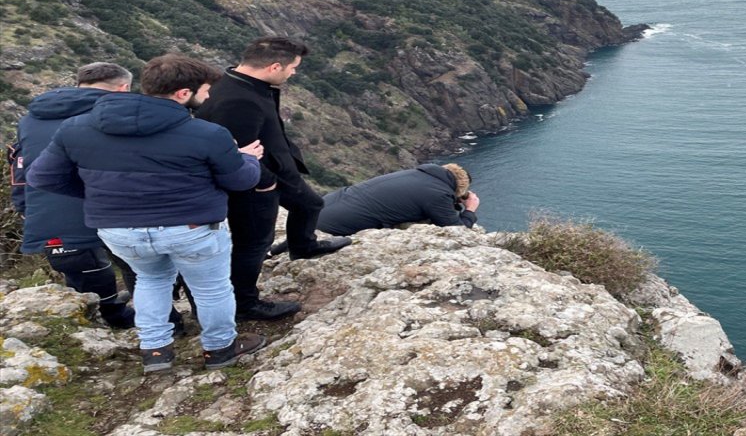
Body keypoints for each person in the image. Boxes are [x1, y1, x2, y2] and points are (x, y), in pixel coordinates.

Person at [26, 54, 268, 374]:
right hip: (191, 227)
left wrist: (102, 196)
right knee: (211, 288)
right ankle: (220, 349)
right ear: (183, 93)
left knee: (150, 280)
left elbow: (41, 177)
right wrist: (247, 159)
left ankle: (155, 352)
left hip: (120, 230)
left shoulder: (76, 128)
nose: (209, 97)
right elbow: (240, 181)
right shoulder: (207, 134)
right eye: (205, 90)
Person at [195, 36, 348, 322]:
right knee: (254, 242)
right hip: (256, 182)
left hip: (278, 167)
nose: (294, 73)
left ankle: (304, 246)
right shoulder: (239, 100)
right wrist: (266, 183)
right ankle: (245, 304)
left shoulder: (242, 83)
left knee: (311, 204)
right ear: (275, 66)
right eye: (293, 67)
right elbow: (236, 154)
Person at [7, 63, 137, 329]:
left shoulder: (31, 119)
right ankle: (149, 317)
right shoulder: (118, 113)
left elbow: (21, 164)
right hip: (110, 200)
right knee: (137, 263)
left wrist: (23, 204)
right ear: (124, 88)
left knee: (79, 265)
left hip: (49, 201)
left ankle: (100, 313)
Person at [316, 163, 479, 236]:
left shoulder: (416, 174)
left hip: (320, 209)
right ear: (458, 190)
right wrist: (470, 209)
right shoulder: (438, 194)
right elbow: (457, 231)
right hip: (331, 228)